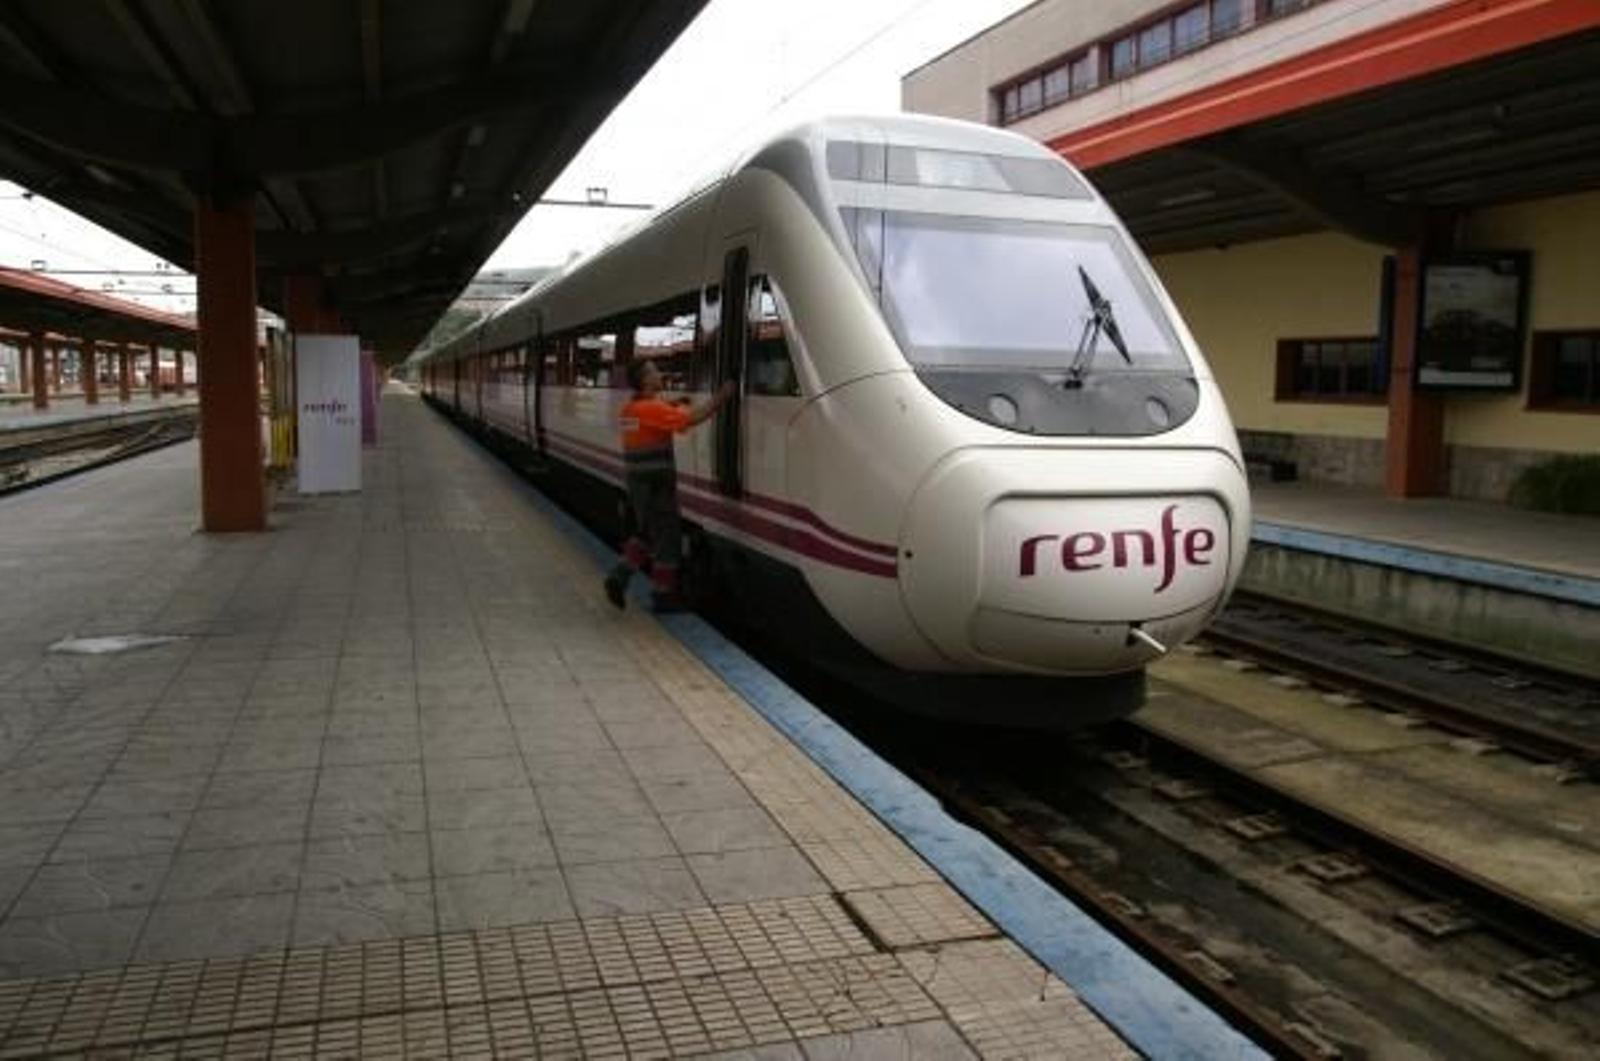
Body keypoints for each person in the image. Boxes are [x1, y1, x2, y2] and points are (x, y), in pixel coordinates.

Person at [605, 361, 736, 612]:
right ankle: (653, 592)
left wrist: (673, 403)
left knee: (646, 533)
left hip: (639, 481)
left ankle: (623, 579)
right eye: (654, 371)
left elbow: (653, 419)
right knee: (667, 538)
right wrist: (723, 396)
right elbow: (694, 417)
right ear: (645, 380)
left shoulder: (632, 408)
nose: (660, 374)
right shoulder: (651, 408)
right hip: (656, 483)